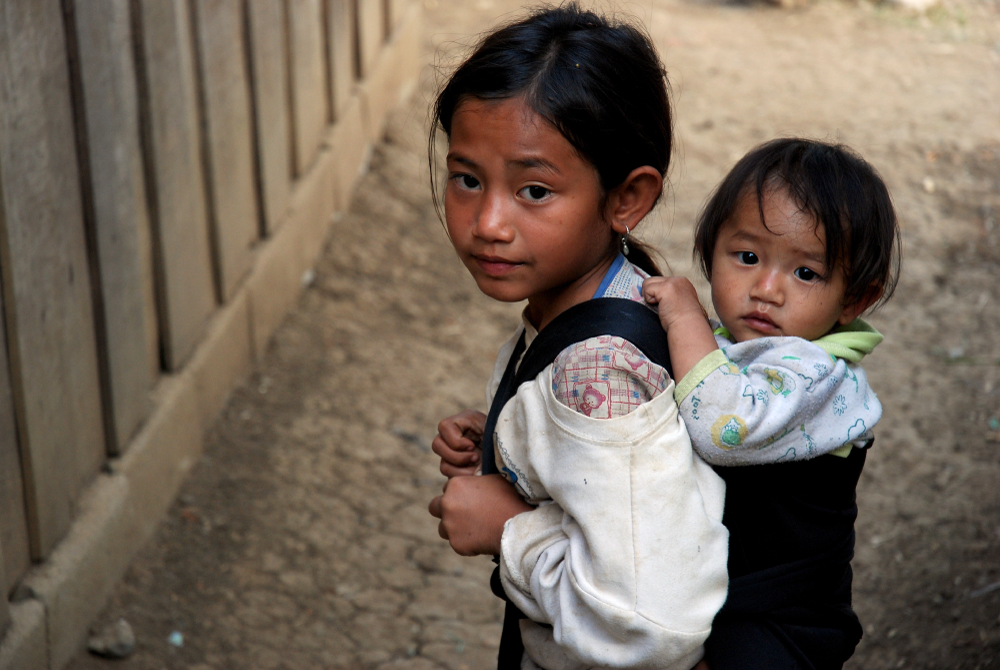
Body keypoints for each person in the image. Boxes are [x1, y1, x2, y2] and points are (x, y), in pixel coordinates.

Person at [425, 5, 729, 669]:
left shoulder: (599, 373)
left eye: (534, 189)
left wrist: (508, 527)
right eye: (467, 179)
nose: (488, 221)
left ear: (627, 198)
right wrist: (512, 447)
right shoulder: (605, 292)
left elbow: (646, 625)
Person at [643, 138, 901, 669]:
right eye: (747, 257)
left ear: (854, 300)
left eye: (805, 273)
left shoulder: (818, 376)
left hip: (779, 622)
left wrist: (685, 317)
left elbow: (720, 424)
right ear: (710, 250)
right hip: (711, 595)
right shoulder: (719, 350)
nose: (766, 288)